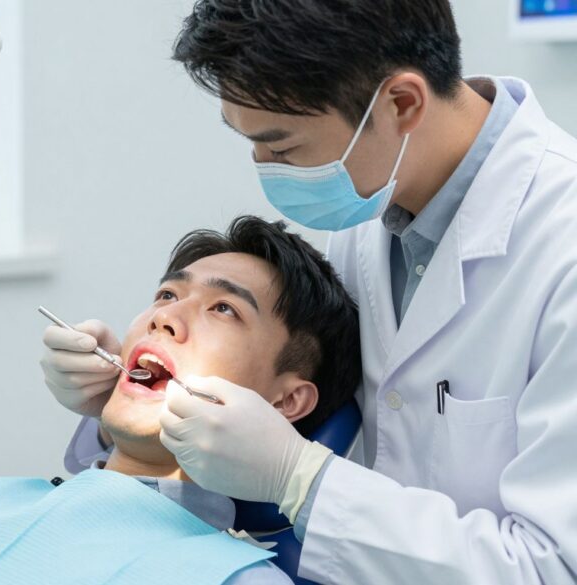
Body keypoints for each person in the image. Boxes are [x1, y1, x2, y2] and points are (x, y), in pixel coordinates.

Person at [42, 1, 577, 583]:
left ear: (401, 104)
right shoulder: (371, 208)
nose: (267, 170)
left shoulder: (559, 249)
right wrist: (116, 407)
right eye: (251, 145)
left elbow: (551, 566)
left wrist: (300, 478)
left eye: (285, 149)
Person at [0, 217, 360, 585]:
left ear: (285, 401)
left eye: (223, 308)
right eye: (166, 295)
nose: (164, 317)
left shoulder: (233, 577)